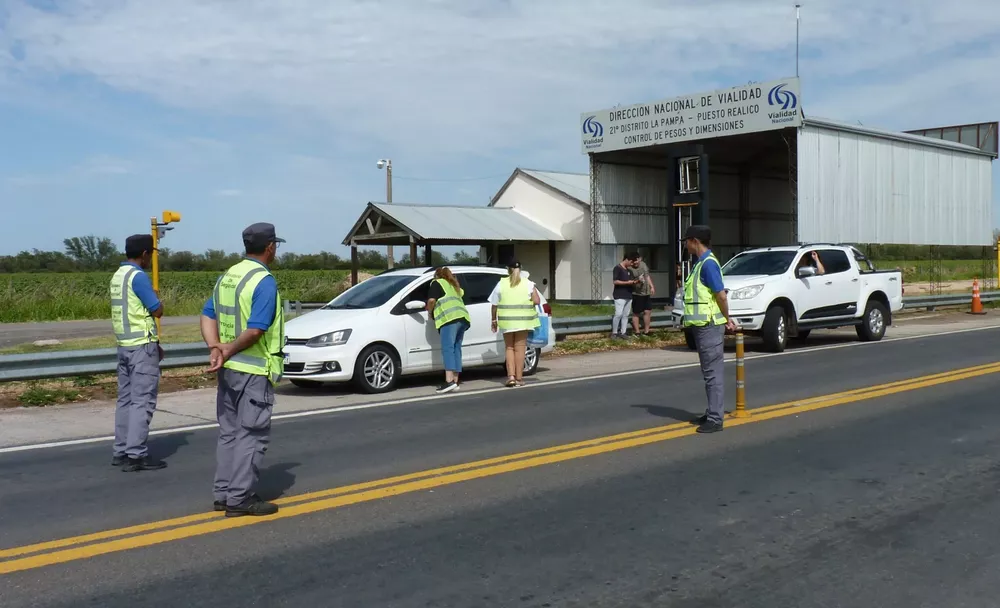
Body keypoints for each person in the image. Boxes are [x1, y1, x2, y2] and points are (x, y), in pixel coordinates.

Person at [201, 222, 286, 517]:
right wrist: (228, 349)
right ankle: (240, 499)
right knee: (252, 435)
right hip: (252, 370)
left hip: (228, 370)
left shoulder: (228, 276)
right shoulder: (263, 281)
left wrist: (216, 348)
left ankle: (223, 494)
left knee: (229, 433)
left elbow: (207, 315)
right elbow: (256, 330)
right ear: (270, 247)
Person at [111, 234, 167, 472]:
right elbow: (157, 310)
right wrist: (157, 297)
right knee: (142, 401)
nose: (150, 258)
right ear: (144, 254)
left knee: (125, 400)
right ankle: (136, 454)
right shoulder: (138, 277)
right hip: (141, 346)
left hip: (124, 345)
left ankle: (121, 450)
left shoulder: (118, 276)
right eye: (150, 254)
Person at [680, 225, 737, 434]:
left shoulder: (708, 264)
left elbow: (720, 295)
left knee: (713, 373)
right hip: (702, 326)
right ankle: (712, 411)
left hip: (710, 326)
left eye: (686, 241)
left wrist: (727, 318)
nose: (685, 245)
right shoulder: (700, 263)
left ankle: (715, 419)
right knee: (709, 373)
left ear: (695, 241)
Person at [489, 259, 541, 387]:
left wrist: (494, 320)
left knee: (509, 348)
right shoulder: (528, 283)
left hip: (507, 322)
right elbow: (537, 300)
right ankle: (519, 378)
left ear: (508, 269)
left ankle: (510, 377)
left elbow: (494, 304)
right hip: (523, 322)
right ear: (521, 269)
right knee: (520, 349)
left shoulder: (501, 284)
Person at [425, 266, 471, 394]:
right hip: (463, 319)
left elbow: (431, 300)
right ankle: (455, 381)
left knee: (448, 348)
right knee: (456, 348)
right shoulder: (454, 286)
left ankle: (449, 381)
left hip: (449, 319)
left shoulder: (437, 283)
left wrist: (429, 311)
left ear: (436, 275)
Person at [611, 252, 640, 339]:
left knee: (625, 315)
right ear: (627, 260)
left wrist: (636, 282)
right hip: (619, 295)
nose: (631, 265)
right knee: (618, 314)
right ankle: (614, 332)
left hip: (628, 295)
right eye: (631, 262)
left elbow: (631, 281)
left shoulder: (628, 270)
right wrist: (627, 282)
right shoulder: (617, 268)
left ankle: (623, 332)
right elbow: (615, 281)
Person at [630, 253, 656, 335]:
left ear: (640, 259)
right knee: (636, 313)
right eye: (633, 261)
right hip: (637, 293)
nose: (635, 263)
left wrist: (651, 286)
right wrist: (638, 281)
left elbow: (647, 276)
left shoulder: (643, 265)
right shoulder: (630, 269)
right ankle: (637, 332)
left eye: (636, 260)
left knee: (647, 311)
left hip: (646, 292)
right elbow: (630, 282)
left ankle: (646, 331)